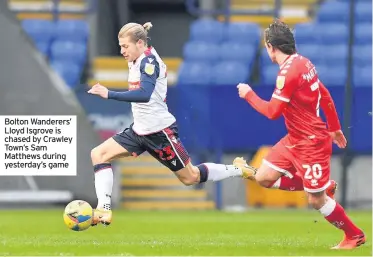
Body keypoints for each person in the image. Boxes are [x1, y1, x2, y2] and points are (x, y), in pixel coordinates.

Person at [87, 22, 255, 226]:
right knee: (98, 154)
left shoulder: (149, 62)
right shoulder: (137, 55)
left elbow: (145, 94)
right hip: (139, 131)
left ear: (140, 43)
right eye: (120, 46)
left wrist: (109, 94)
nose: (122, 51)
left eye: (125, 46)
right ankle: (104, 209)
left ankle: (238, 169)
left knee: (190, 177)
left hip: (159, 133)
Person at [233, 20, 365, 250]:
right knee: (263, 177)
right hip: (294, 138)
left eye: (267, 47)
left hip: (311, 143)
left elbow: (273, 112)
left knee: (316, 201)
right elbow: (323, 93)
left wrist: (249, 95)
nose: (267, 51)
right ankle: (317, 186)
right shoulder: (304, 62)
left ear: (271, 47)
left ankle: (354, 235)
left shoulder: (287, 73)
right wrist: (334, 127)